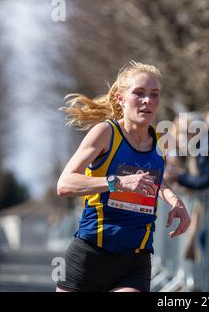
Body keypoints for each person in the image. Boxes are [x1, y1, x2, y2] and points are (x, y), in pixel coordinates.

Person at [56, 61, 191, 292]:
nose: (147, 100)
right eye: (139, 93)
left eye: (154, 95)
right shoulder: (105, 133)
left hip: (135, 260)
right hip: (90, 253)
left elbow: (156, 179)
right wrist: (116, 182)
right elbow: (65, 183)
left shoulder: (161, 141)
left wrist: (174, 201)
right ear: (121, 98)